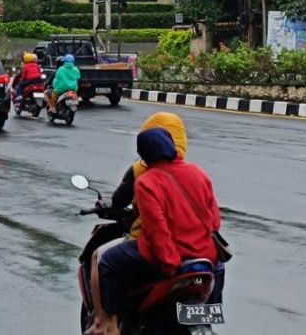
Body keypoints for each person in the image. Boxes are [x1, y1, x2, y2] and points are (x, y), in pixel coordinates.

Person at [87, 128, 221, 335]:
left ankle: (110, 325)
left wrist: (169, 265)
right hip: (204, 254)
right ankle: (206, 320)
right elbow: (214, 221)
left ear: (144, 154)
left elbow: (157, 229)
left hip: (169, 256)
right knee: (218, 269)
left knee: (107, 261)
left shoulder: (147, 181)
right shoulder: (198, 172)